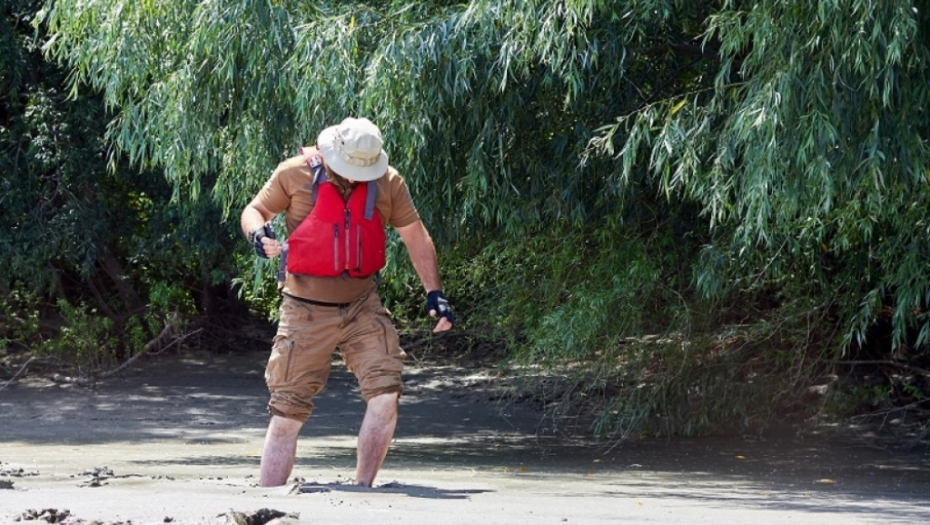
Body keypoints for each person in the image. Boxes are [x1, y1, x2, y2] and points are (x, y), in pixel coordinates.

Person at [239, 117, 455, 487]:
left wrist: (435, 293)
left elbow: (416, 236)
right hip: (304, 309)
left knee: (386, 394)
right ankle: (268, 497)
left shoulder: (389, 182)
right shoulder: (293, 173)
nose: (355, 177)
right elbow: (254, 210)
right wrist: (258, 234)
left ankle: (363, 489)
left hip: (362, 304)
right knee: (288, 412)